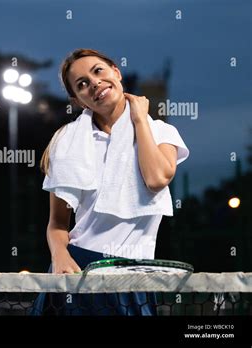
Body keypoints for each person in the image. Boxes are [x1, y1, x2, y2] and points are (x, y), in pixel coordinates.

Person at [32, 48, 189, 315]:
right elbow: (57, 224)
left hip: (135, 274)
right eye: (82, 84)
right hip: (79, 270)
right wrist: (60, 256)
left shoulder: (161, 132)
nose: (94, 83)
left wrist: (139, 119)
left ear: (115, 72)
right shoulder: (66, 142)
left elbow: (157, 178)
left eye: (98, 71)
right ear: (79, 100)